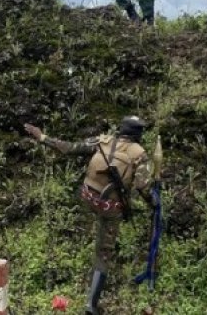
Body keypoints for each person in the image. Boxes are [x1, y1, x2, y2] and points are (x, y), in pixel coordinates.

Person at [24, 116, 152, 315]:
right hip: (110, 208)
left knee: (101, 222)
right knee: (104, 252)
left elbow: (69, 148)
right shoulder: (140, 154)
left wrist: (42, 137)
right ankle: (91, 305)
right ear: (138, 134)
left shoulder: (102, 141)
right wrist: (153, 203)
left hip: (87, 197)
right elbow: (143, 187)